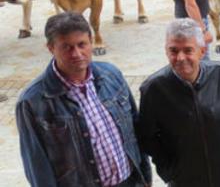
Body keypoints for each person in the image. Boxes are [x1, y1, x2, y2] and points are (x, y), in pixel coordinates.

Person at [16, 12, 151, 186]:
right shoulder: (32, 102)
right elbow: (37, 166)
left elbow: (135, 131)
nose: (77, 53)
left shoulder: (111, 76)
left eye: (82, 44)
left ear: (91, 41)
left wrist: (145, 178)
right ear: (50, 48)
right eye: (67, 47)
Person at [137, 18, 220, 187]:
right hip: (184, 181)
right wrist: (170, 171)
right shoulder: (153, 89)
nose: (180, 58)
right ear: (166, 51)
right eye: (173, 50)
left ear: (202, 51)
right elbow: (148, 138)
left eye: (188, 50)